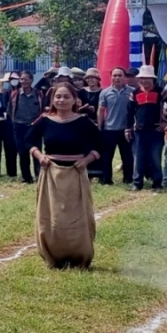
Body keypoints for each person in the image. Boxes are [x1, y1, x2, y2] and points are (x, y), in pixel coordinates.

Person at [27, 80, 102, 268]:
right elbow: (28, 141)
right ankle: (54, 255)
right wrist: (39, 156)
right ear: (52, 99)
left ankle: (79, 254)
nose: (61, 100)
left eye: (66, 96)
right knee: (52, 216)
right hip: (51, 175)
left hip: (76, 175)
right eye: (58, 96)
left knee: (77, 216)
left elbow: (102, 145)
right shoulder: (44, 120)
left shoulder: (83, 122)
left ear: (75, 100)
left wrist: (86, 160)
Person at [98, 67, 135, 186]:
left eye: (120, 75)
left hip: (126, 130)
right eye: (114, 75)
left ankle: (128, 179)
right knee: (107, 157)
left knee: (128, 157)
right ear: (111, 77)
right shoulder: (105, 92)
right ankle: (106, 180)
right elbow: (100, 110)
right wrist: (100, 128)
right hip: (109, 129)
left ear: (125, 77)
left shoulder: (132, 91)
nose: (117, 78)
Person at [6, 71, 43, 183]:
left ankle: (39, 176)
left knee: (37, 152)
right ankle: (26, 178)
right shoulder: (14, 94)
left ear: (31, 80)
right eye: (22, 79)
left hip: (35, 127)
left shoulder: (39, 94)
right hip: (19, 127)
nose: (24, 82)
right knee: (22, 153)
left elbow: (42, 111)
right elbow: (9, 110)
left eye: (26, 79)